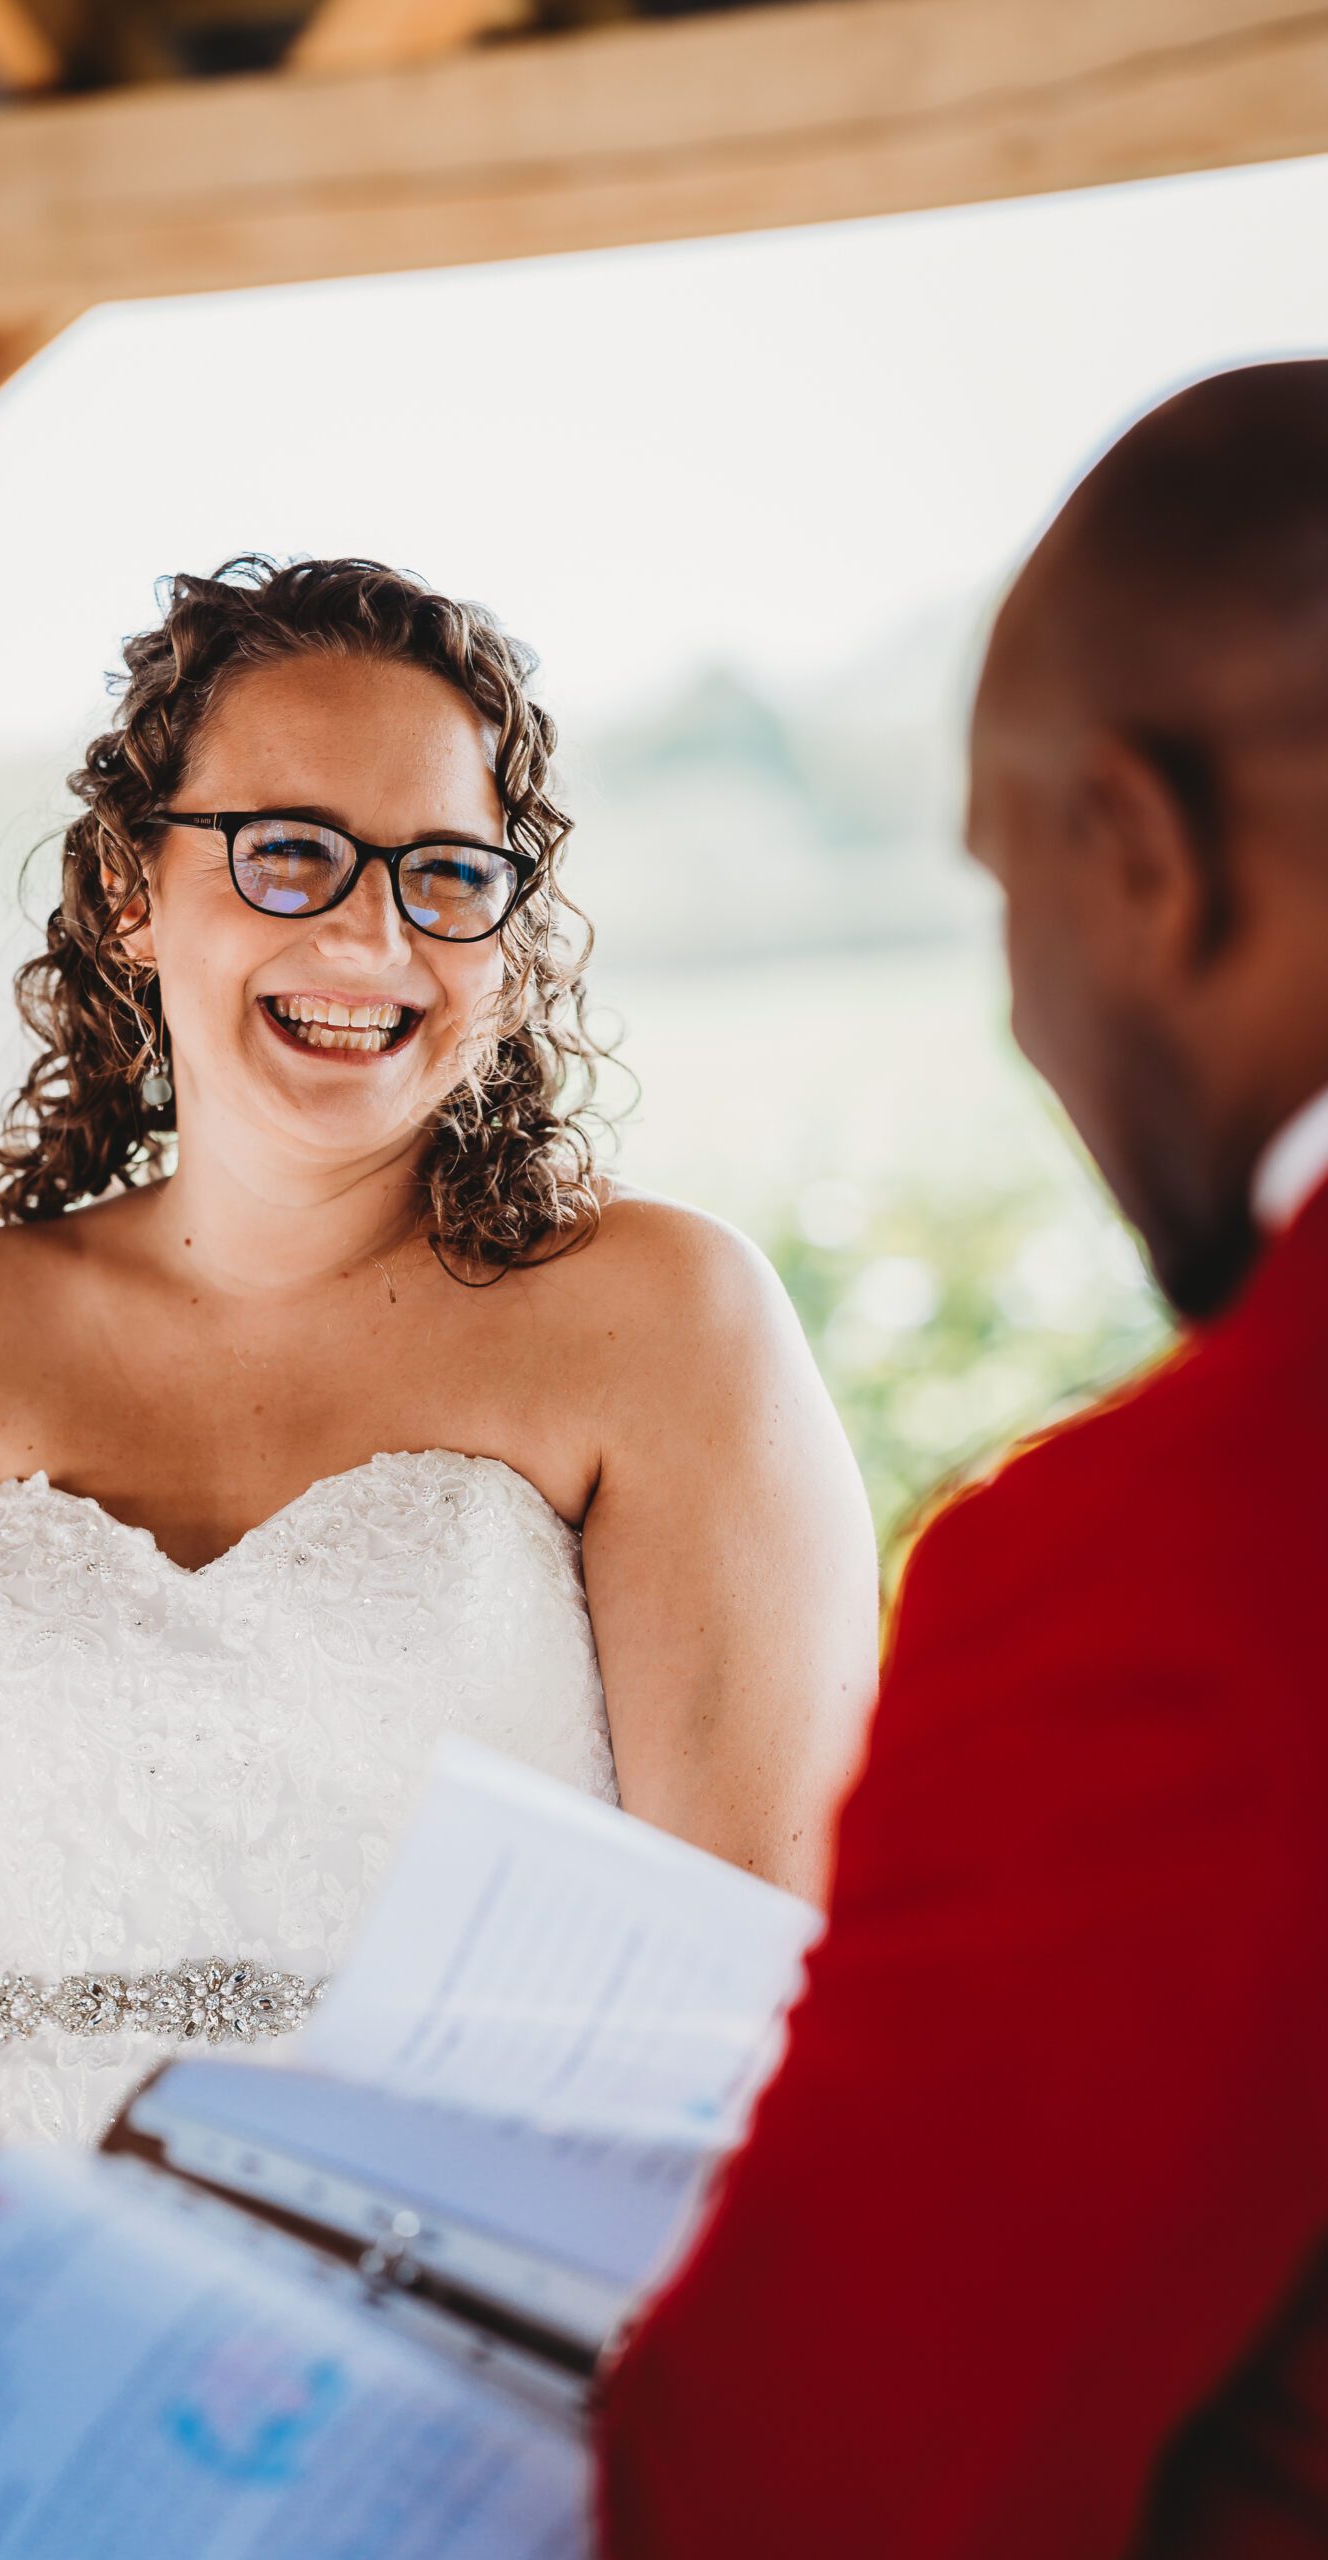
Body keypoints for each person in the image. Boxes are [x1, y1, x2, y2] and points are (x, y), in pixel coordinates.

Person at [0, 556, 878, 2392]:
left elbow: (744, 1993)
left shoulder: (661, 1322)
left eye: (446, 872)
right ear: (127, 889)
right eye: (289, 852)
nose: (367, 940)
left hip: (484, 2383)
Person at [599, 361, 1328, 2558]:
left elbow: (795, 2500)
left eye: (1003, 893)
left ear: (1137, 851)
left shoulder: (1167, 1561)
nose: (1020, 1015)